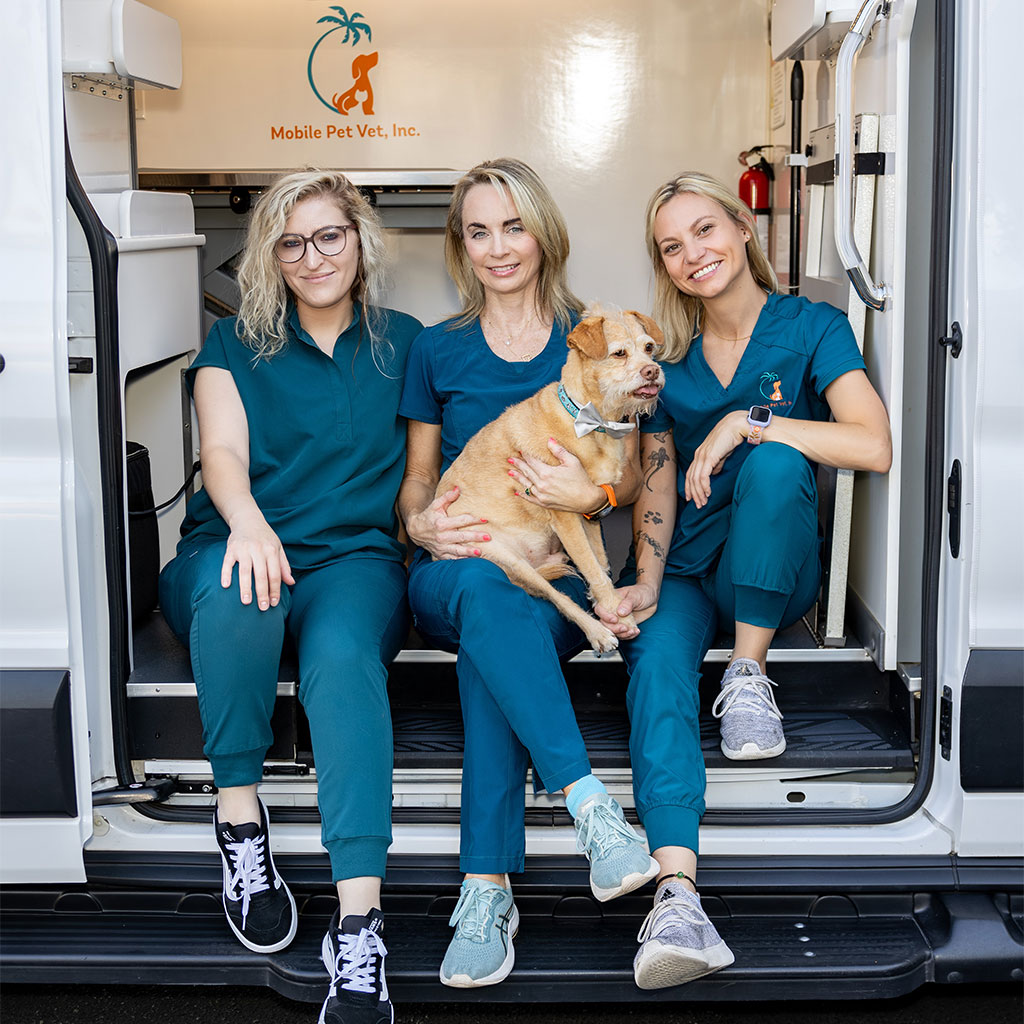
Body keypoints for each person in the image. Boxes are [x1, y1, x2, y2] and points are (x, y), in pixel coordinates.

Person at [598, 171, 892, 989]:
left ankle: (748, 671)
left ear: (742, 228)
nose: (693, 254)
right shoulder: (669, 355)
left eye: (704, 230)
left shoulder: (811, 327)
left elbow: (872, 445)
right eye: (671, 246)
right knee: (655, 669)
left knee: (774, 464)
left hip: (773, 570)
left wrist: (749, 421)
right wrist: (648, 580)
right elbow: (656, 474)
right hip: (686, 566)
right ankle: (678, 895)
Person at [158, 169, 422, 1024]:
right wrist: (247, 524)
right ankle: (241, 823)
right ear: (271, 255)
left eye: (330, 236)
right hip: (233, 541)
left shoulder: (406, 343)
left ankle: (358, 928)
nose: (314, 257)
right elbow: (223, 453)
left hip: (354, 561)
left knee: (344, 660)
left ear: (360, 239)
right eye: (291, 241)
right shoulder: (235, 344)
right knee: (243, 596)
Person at [397, 157, 659, 989]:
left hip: (556, 576)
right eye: (478, 231)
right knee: (477, 588)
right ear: (460, 245)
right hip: (451, 567)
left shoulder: (600, 334)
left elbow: (649, 462)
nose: (498, 247)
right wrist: (418, 521)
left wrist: (599, 488)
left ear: (544, 233)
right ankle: (594, 812)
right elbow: (417, 472)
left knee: (495, 624)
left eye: (513, 227)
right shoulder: (436, 349)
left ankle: (484, 888)